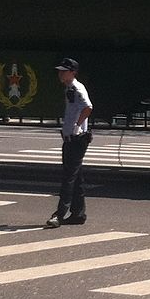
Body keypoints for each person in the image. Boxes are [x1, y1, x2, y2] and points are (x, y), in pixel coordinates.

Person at [45, 58, 93, 228]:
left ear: (73, 72)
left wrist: (77, 126)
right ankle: (78, 214)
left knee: (68, 178)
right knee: (76, 176)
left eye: (64, 71)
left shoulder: (76, 88)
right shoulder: (70, 88)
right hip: (72, 138)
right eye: (60, 71)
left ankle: (59, 214)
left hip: (76, 139)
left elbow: (88, 108)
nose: (60, 73)